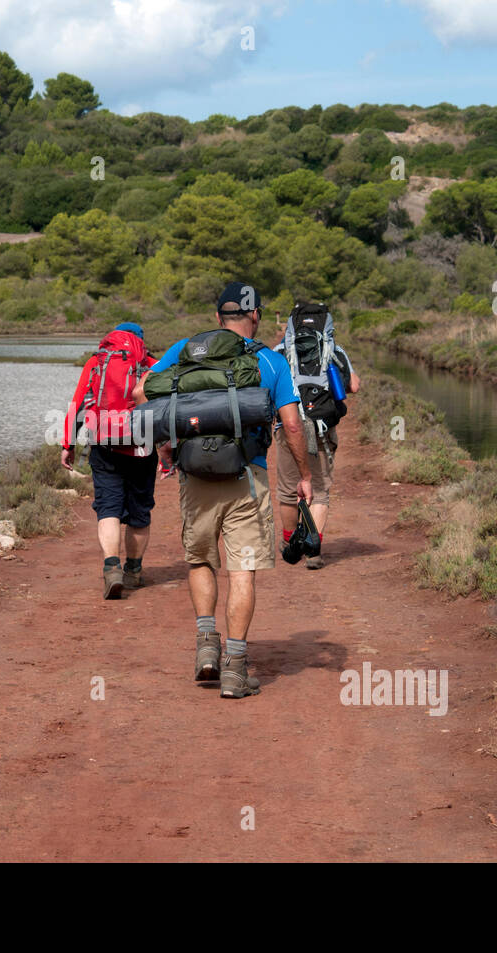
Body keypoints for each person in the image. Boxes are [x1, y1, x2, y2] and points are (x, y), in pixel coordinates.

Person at [134, 283, 312, 699]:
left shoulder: (186, 349)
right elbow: (291, 424)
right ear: (257, 316)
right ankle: (235, 669)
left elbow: (143, 392)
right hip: (246, 476)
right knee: (241, 569)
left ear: (218, 318)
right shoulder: (269, 360)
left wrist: (168, 445)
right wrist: (304, 474)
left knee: (200, 560)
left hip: (194, 476)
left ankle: (205, 650)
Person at [61, 322, 158, 600]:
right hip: (142, 447)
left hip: (104, 446)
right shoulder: (152, 364)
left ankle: (112, 568)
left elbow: (78, 403)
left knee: (108, 508)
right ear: (140, 340)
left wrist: (67, 444)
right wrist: (169, 451)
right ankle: (134, 571)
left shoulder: (96, 362)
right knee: (139, 513)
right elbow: (166, 408)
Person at [272, 303, 360, 570]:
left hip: (288, 427)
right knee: (320, 492)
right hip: (323, 427)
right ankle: (314, 551)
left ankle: (290, 543)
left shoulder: (279, 351)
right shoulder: (334, 349)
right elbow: (353, 386)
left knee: (288, 490)